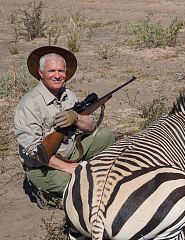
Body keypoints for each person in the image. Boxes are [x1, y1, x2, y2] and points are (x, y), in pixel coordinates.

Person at [14, 46, 115, 209]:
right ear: (41, 73)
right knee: (76, 186)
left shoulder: (68, 95)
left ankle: (93, 173)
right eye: (51, 71)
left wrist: (76, 118)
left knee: (106, 136)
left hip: (70, 152)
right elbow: (35, 152)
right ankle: (46, 196)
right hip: (42, 165)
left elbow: (91, 127)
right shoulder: (29, 104)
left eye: (61, 71)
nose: (57, 75)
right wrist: (72, 169)